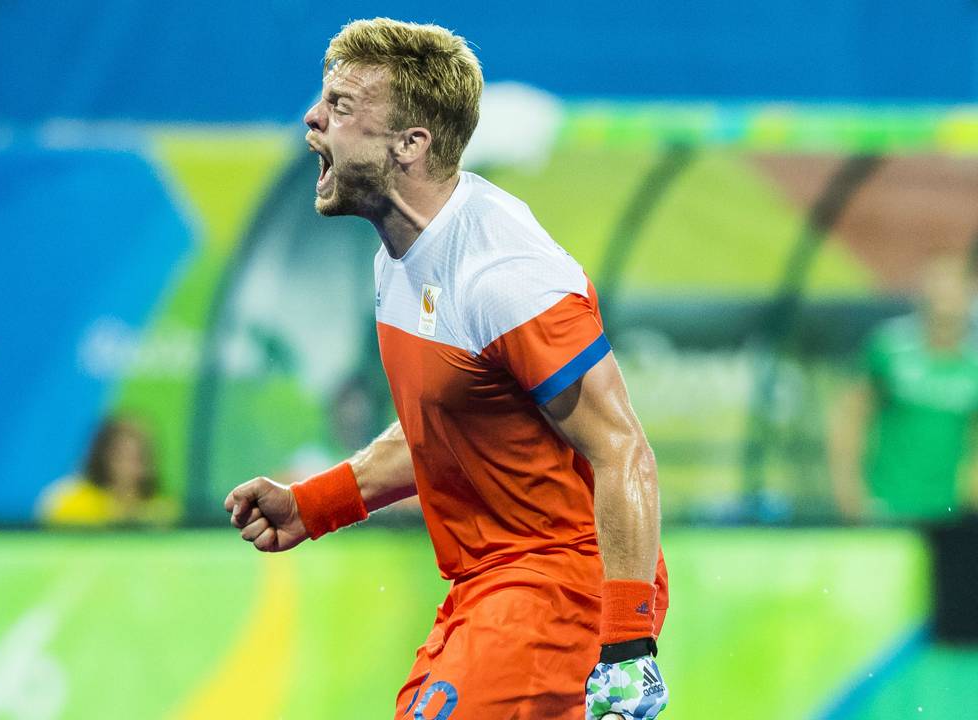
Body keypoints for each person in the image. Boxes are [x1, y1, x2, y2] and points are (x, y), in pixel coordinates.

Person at [223, 19, 669, 719]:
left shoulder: (507, 277)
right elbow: (444, 427)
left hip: (558, 590)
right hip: (485, 588)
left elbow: (623, 452)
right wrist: (313, 505)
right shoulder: (398, 256)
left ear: (411, 145)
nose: (312, 118)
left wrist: (627, 649)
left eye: (341, 105)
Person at [828, 255, 978, 522]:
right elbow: (851, 415)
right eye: (938, 283)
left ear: (972, 293)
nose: (946, 295)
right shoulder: (889, 348)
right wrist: (848, 489)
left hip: (949, 513)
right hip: (884, 506)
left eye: (955, 286)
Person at [38, 417, 178, 527]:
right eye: (122, 456)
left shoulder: (164, 509)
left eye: (140, 456)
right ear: (103, 458)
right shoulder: (70, 502)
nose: (132, 465)